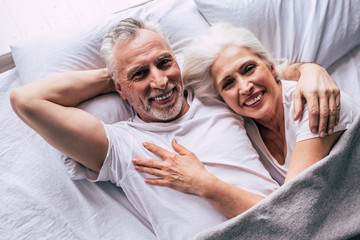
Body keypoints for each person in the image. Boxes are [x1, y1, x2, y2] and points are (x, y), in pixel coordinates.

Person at [10, 18, 340, 239]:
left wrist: (312, 69)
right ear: (120, 89)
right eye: (141, 74)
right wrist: (114, 76)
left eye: (165, 62)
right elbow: (26, 100)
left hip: (288, 228)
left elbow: (264, 73)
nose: (160, 80)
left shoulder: (217, 98)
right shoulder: (121, 145)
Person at [133, 23, 359, 219]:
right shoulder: (244, 125)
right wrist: (118, 79)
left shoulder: (312, 101)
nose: (245, 87)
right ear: (221, 97)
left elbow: (292, 210)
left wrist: (202, 183)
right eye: (228, 83)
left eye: (249, 69)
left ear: (270, 66)